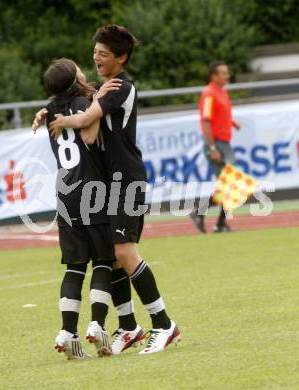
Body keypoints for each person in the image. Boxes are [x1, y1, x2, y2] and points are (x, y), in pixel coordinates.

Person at [47, 25, 181, 355]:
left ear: (121, 58)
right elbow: (91, 134)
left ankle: (163, 325)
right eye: (95, 53)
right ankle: (128, 327)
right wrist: (52, 110)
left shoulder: (120, 87)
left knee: (124, 253)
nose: (96, 58)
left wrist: (62, 119)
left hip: (127, 180)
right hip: (108, 183)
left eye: (104, 54)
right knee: (112, 255)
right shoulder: (103, 88)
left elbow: (88, 119)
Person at [40, 58, 120, 359]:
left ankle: (67, 331)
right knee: (102, 260)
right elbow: (90, 126)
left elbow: (52, 108)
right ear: (75, 79)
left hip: (65, 192)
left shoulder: (49, 111)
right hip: (92, 188)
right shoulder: (88, 101)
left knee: (74, 266)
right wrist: (98, 96)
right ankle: (97, 325)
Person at [190, 61, 241, 233]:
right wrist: (212, 148)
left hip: (224, 144)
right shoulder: (209, 93)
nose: (227, 76)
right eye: (223, 73)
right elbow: (206, 121)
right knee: (230, 185)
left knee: (230, 185)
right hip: (216, 144)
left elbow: (220, 114)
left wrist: (232, 123)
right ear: (214, 76)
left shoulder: (221, 92)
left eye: (227, 73)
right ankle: (203, 214)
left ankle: (218, 222)